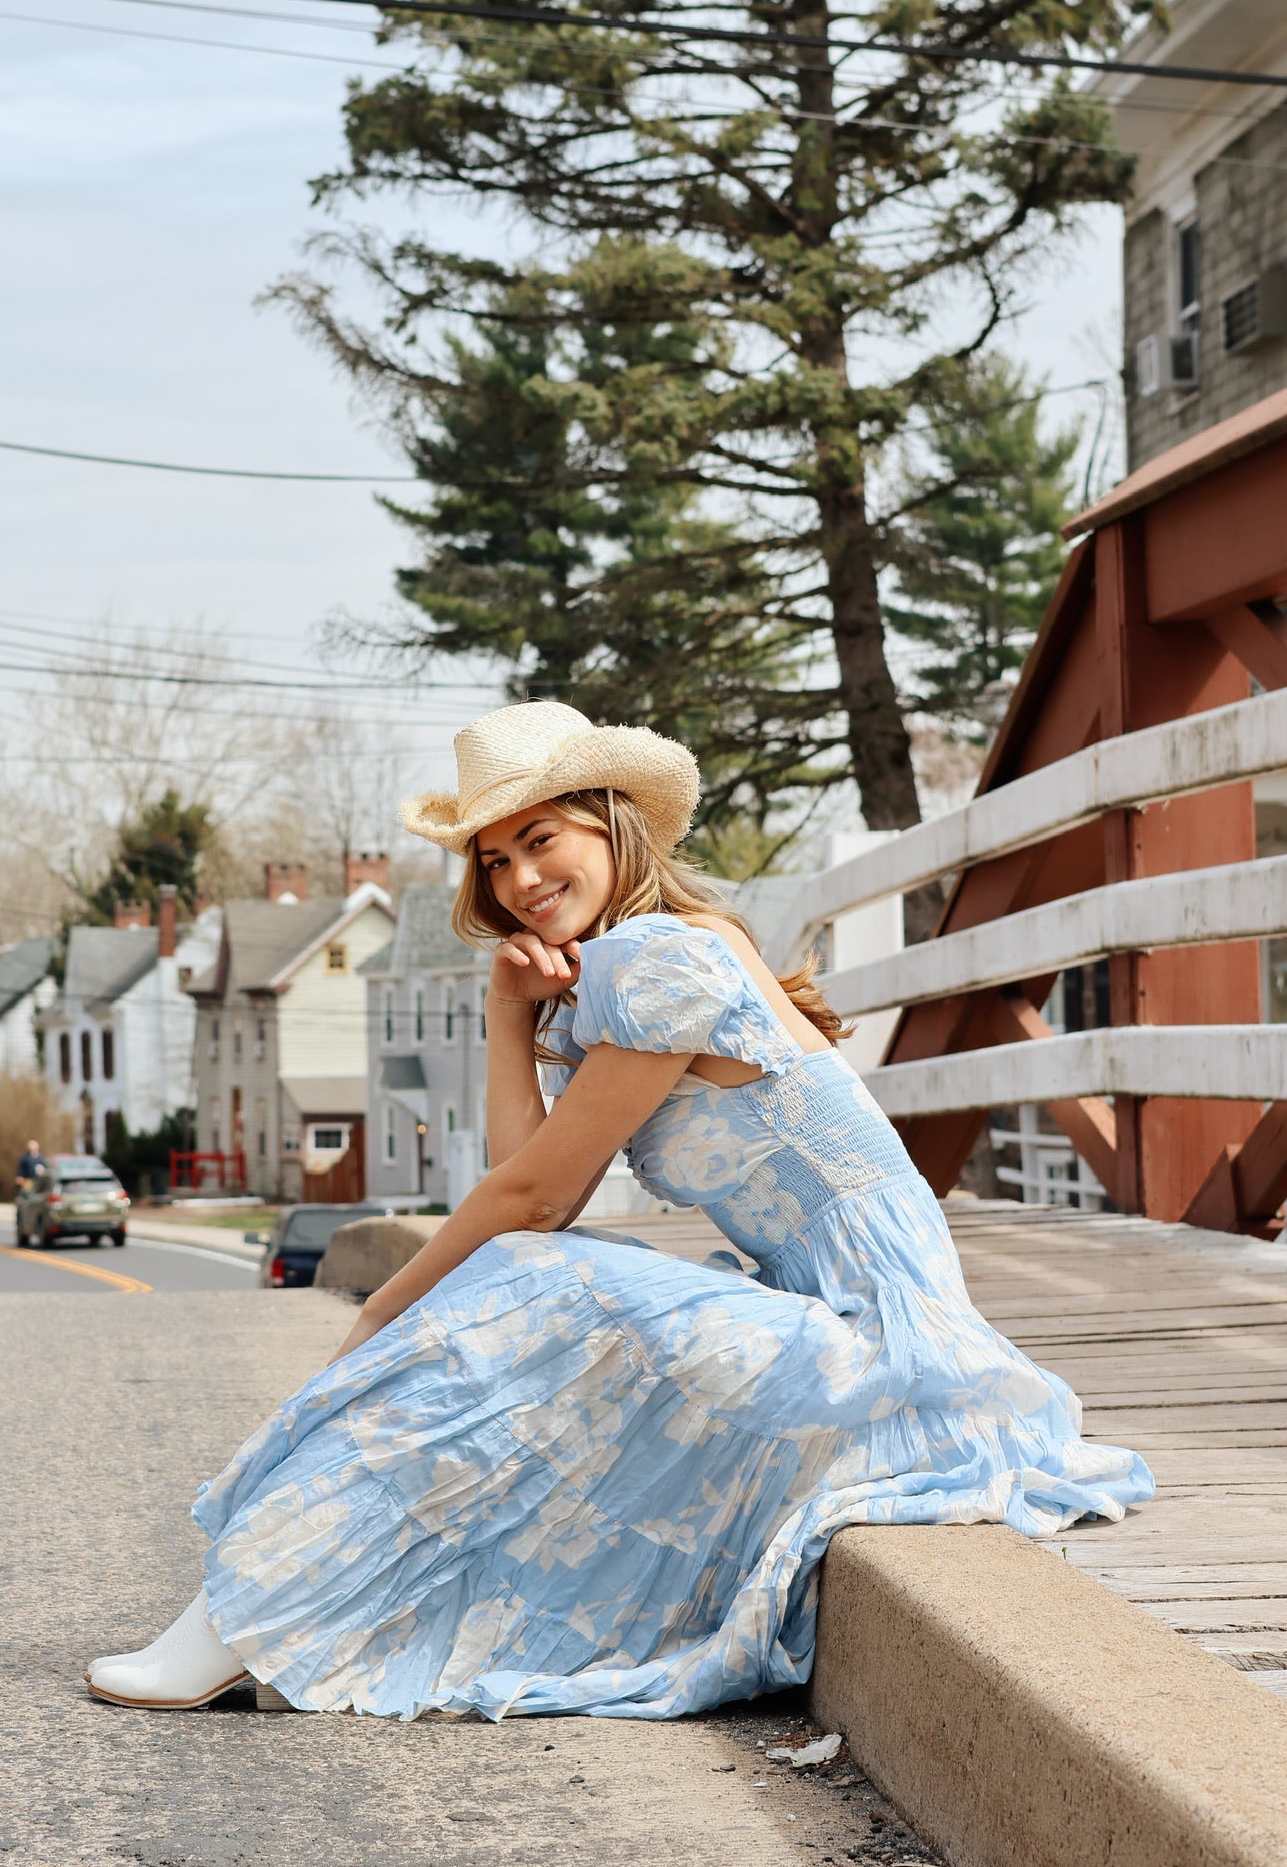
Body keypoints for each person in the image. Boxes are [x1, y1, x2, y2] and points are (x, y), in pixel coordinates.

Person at [86, 702, 1152, 1716]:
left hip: (885, 1350)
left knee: (523, 1290)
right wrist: (509, 1019)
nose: (520, 879)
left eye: (541, 838)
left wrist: (381, 1315)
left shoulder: (665, 963)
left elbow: (536, 1200)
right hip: (844, 1331)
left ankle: (249, 1616)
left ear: (611, 820)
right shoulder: (688, 943)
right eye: (494, 861)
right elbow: (530, 1174)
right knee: (524, 1290)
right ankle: (268, 1611)